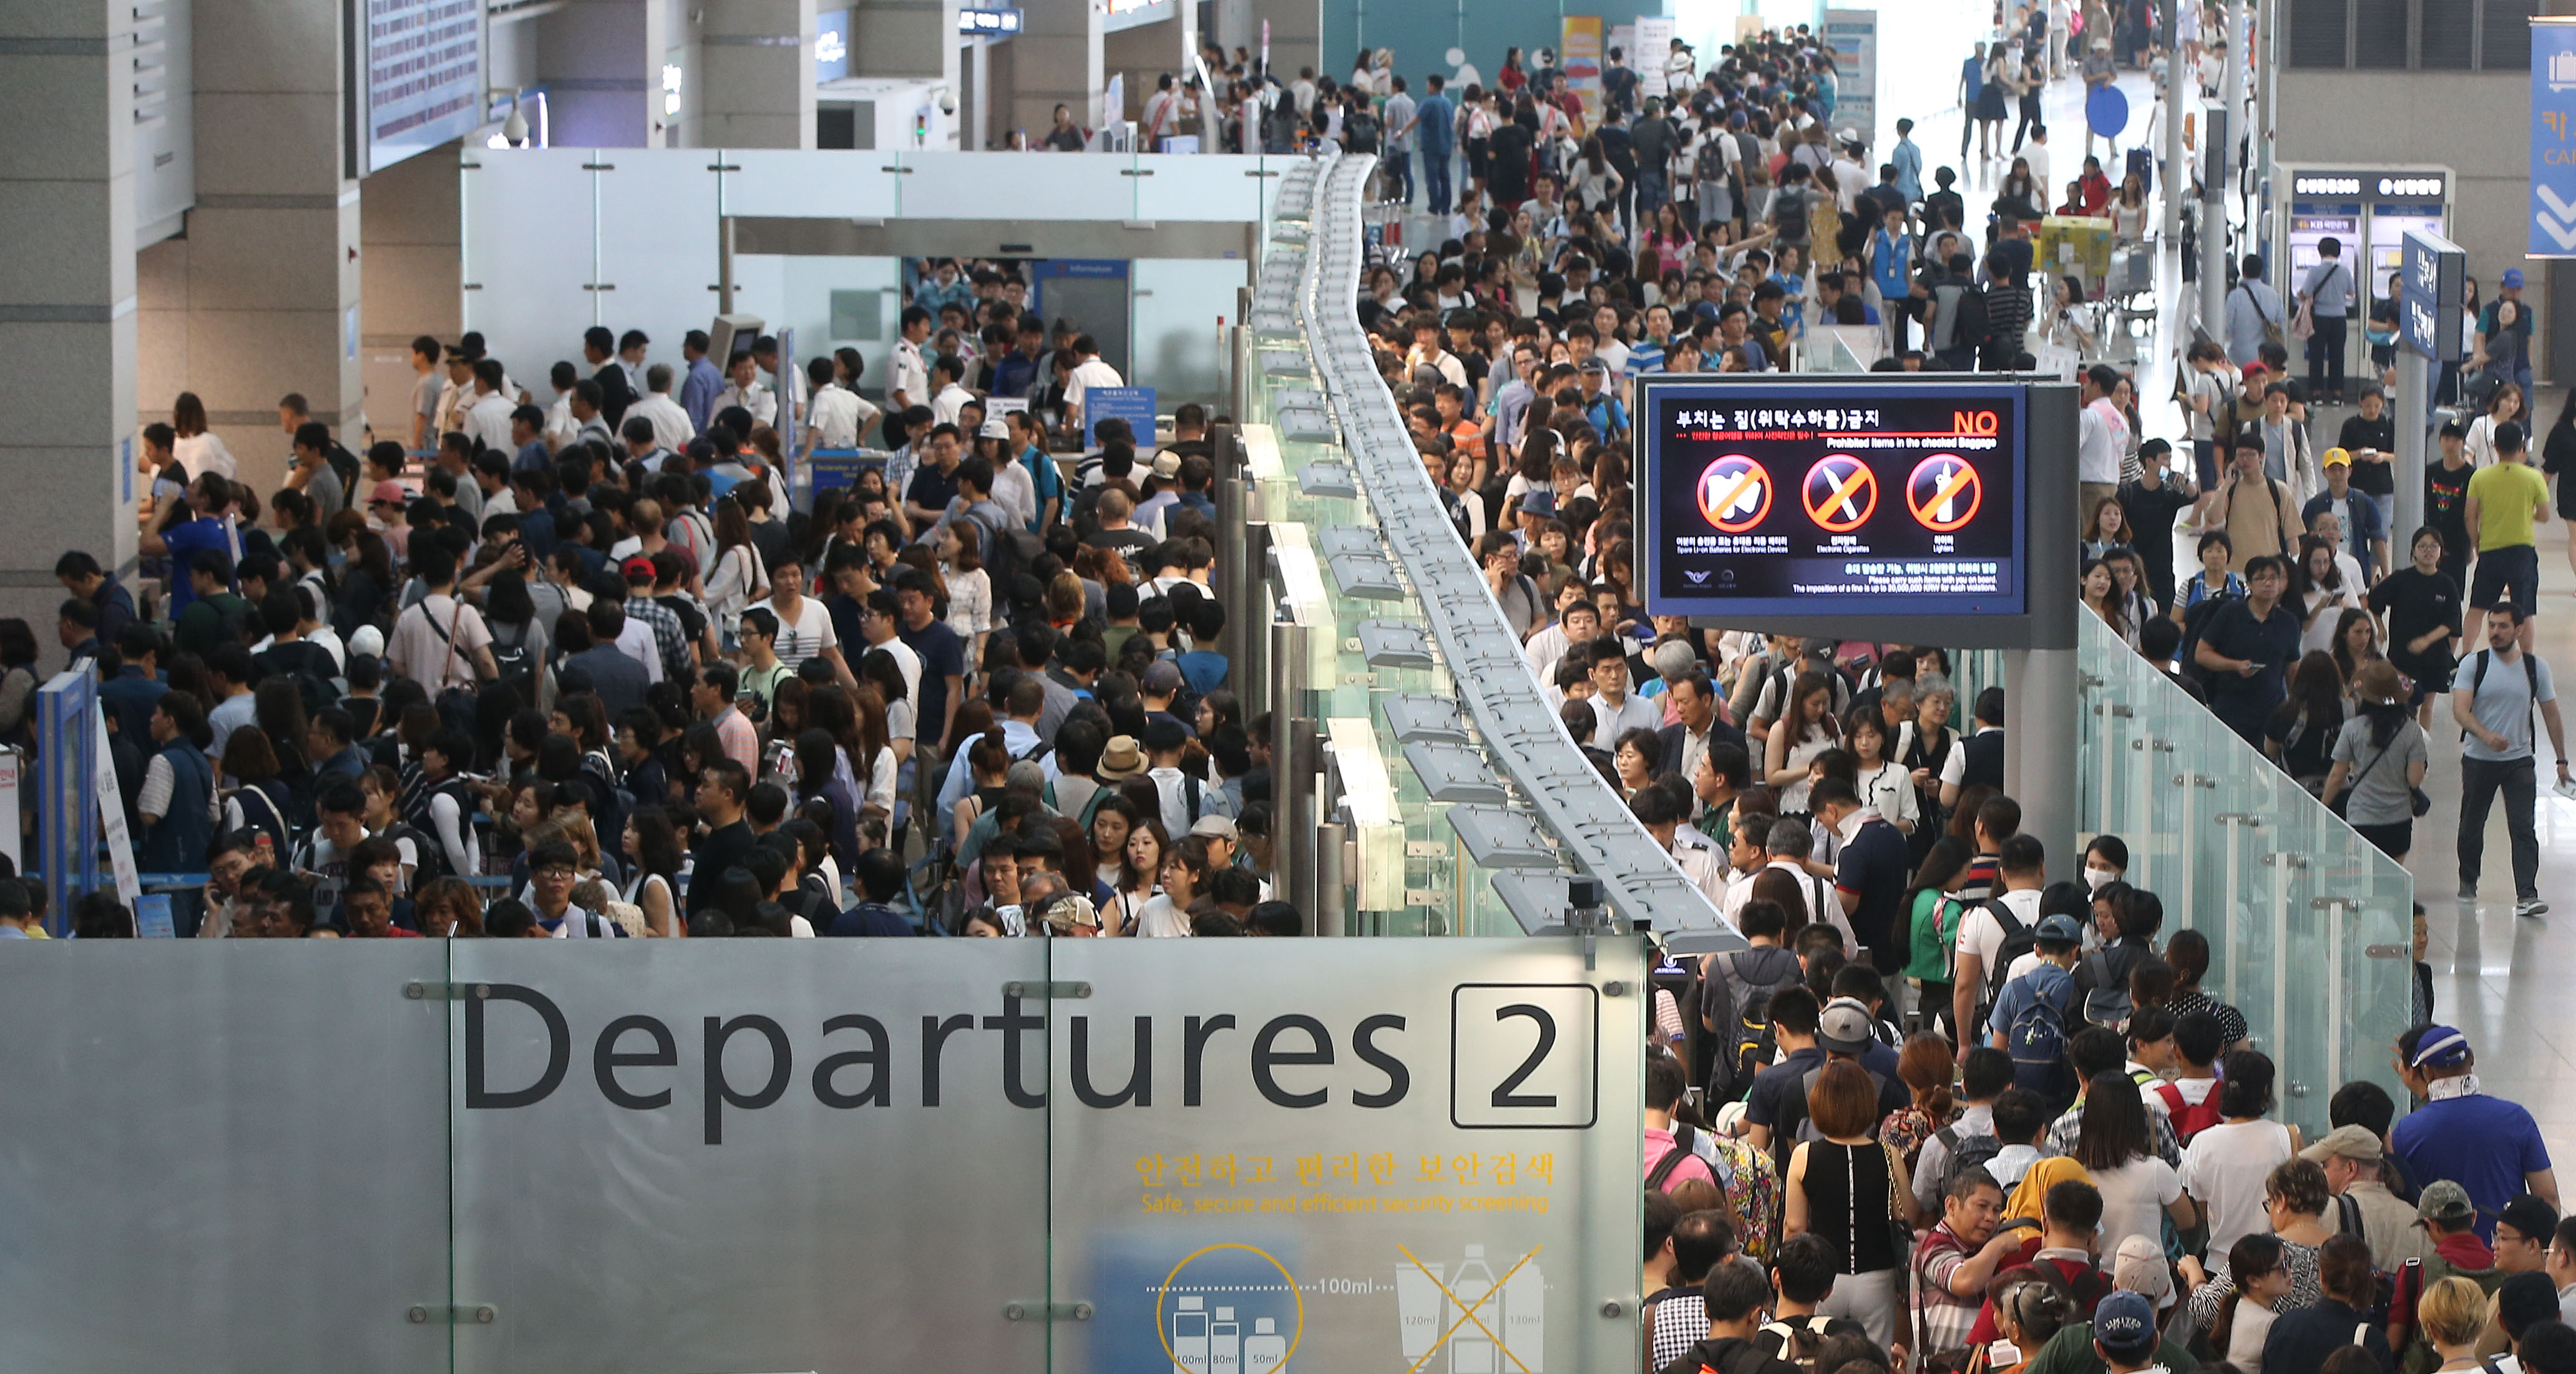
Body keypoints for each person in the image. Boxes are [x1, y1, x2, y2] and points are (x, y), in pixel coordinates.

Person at [1782, 1059, 1917, 1347]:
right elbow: (1906, 1213)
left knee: (1818, 1355)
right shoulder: (1888, 1154)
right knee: (1874, 1358)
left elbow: (1794, 1226)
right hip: (1877, 1275)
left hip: (1822, 1276)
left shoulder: (1805, 1155)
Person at [2393, 1024, 2559, 1239]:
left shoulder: (2407, 1131)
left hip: (2443, 1261)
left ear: (2426, 1070)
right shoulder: (2516, 1118)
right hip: (2506, 1257)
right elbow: (2548, 1196)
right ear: (2470, 1057)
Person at [2451, 606, 2566, 917]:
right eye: (2491, 625)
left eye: (2503, 626)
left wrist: (2561, 759)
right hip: (2479, 759)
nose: (2494, 632)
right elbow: (2461, 710)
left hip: (2519, 760)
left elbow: (2551, 714)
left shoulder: (2535, 668)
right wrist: (2484, 735)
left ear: (2519, 630)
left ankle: (2527, 894)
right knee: (2472, 825)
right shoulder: (2474, 664)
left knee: (2523, 827)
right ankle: (2468, 879)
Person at [2180, 1050, 2302, 1258]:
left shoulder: (2201, 1143)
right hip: (2275, 1264)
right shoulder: (2289, 1137)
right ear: (2266, 1090)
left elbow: (2201, 1210)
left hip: (2219, 1263)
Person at [2195, 554, 2303, 746]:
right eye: (2261, 578)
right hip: (2231, 708)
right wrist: (2235, 666)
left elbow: (2292, 668)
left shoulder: (2289, 621)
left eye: (2274, 578)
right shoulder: (2230, 613)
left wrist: (2296, 706)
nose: (2268, 583)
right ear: (2250, 584)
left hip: (2272, 711)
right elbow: (2202, 654)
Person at [2466, 421, 2551, 628]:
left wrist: (2477, 544)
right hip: (2522, 550)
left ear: (2495, 446)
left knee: (2477, 608)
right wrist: (2524, 513)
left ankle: (2466, 653)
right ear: (2522, 446)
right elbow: (2545, 515)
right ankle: (2527, 658)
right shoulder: (2534, 477)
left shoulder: (2480, 477)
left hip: (2491, 548)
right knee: (2524, 611)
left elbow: (2470, 516)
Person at [2298, 236, 2356, 405]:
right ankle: (2337, 395)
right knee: (2337, 356)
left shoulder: (2315, 271)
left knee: (2316, 356)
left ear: (2320, 252)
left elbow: (2307, 292)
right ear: (2338, 252)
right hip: (2339, 317)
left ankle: (2316, 395)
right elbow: (2351, 292)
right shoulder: (2345, 271)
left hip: (2319, 317)